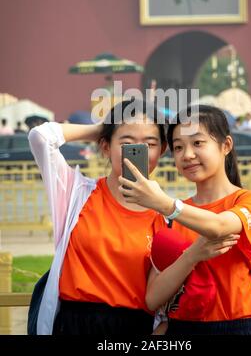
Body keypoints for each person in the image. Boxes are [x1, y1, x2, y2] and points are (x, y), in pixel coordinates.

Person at [119, 105, 251, 335]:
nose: (187, 155)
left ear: (226, 146)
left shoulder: (250, 201)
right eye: (178, 147)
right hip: (181, 330)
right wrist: (192, 256)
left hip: (236, 327)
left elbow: (218, 226)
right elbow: (152, 298)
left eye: (197, 143)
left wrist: (164, 203)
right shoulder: (172, 218)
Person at [28, 99, 170, 336]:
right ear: (105, 147)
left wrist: (119, 133)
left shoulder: (167, 216)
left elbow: (164, 304)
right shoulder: (77, 193)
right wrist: (102, 129)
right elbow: (40, 137)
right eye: (126, 142)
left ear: (162, 150)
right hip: (73, 323)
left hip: (134, 326)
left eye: (150, 143)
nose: (137, 150)